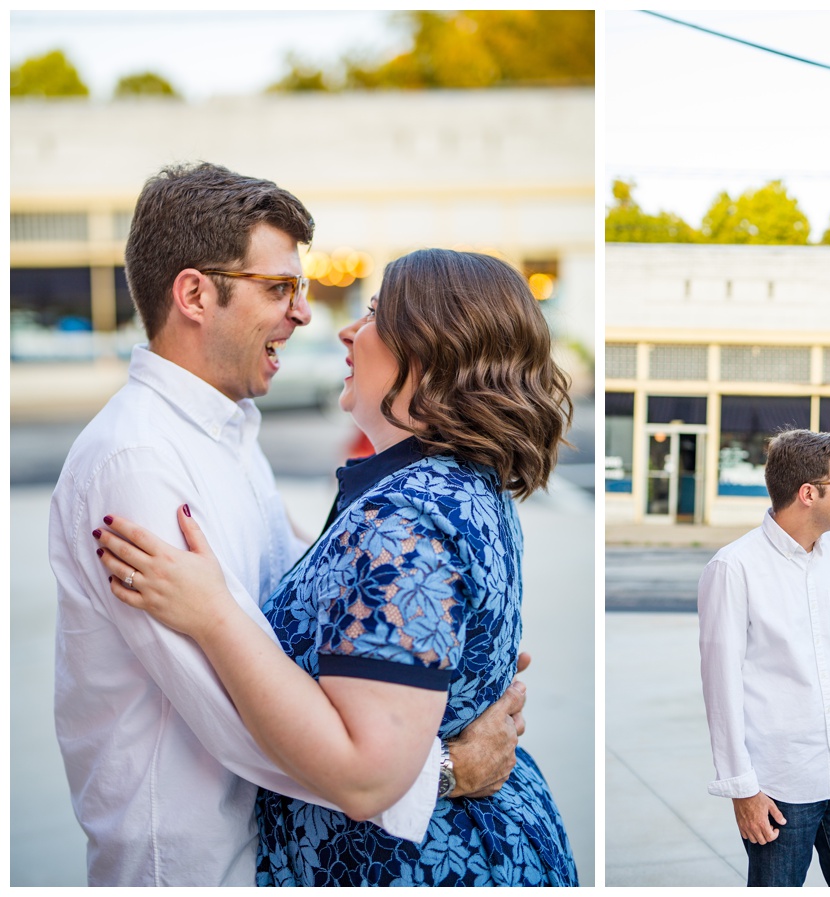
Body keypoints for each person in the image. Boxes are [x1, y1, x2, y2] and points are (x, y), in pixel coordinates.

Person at [49, 163, 525, 886]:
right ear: (196, 294)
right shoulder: (137, 463)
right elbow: (230, 704)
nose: (305, 314)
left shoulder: (231, 433)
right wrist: (448, 766)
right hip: (198, 861)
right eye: (279, 289)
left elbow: (306, 607)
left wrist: (449, 643)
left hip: (268, 849)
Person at [698, 428, 830, 887]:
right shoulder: (733, 568)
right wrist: (743, 791)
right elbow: (722, 688)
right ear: (807, 493)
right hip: (778, 789)